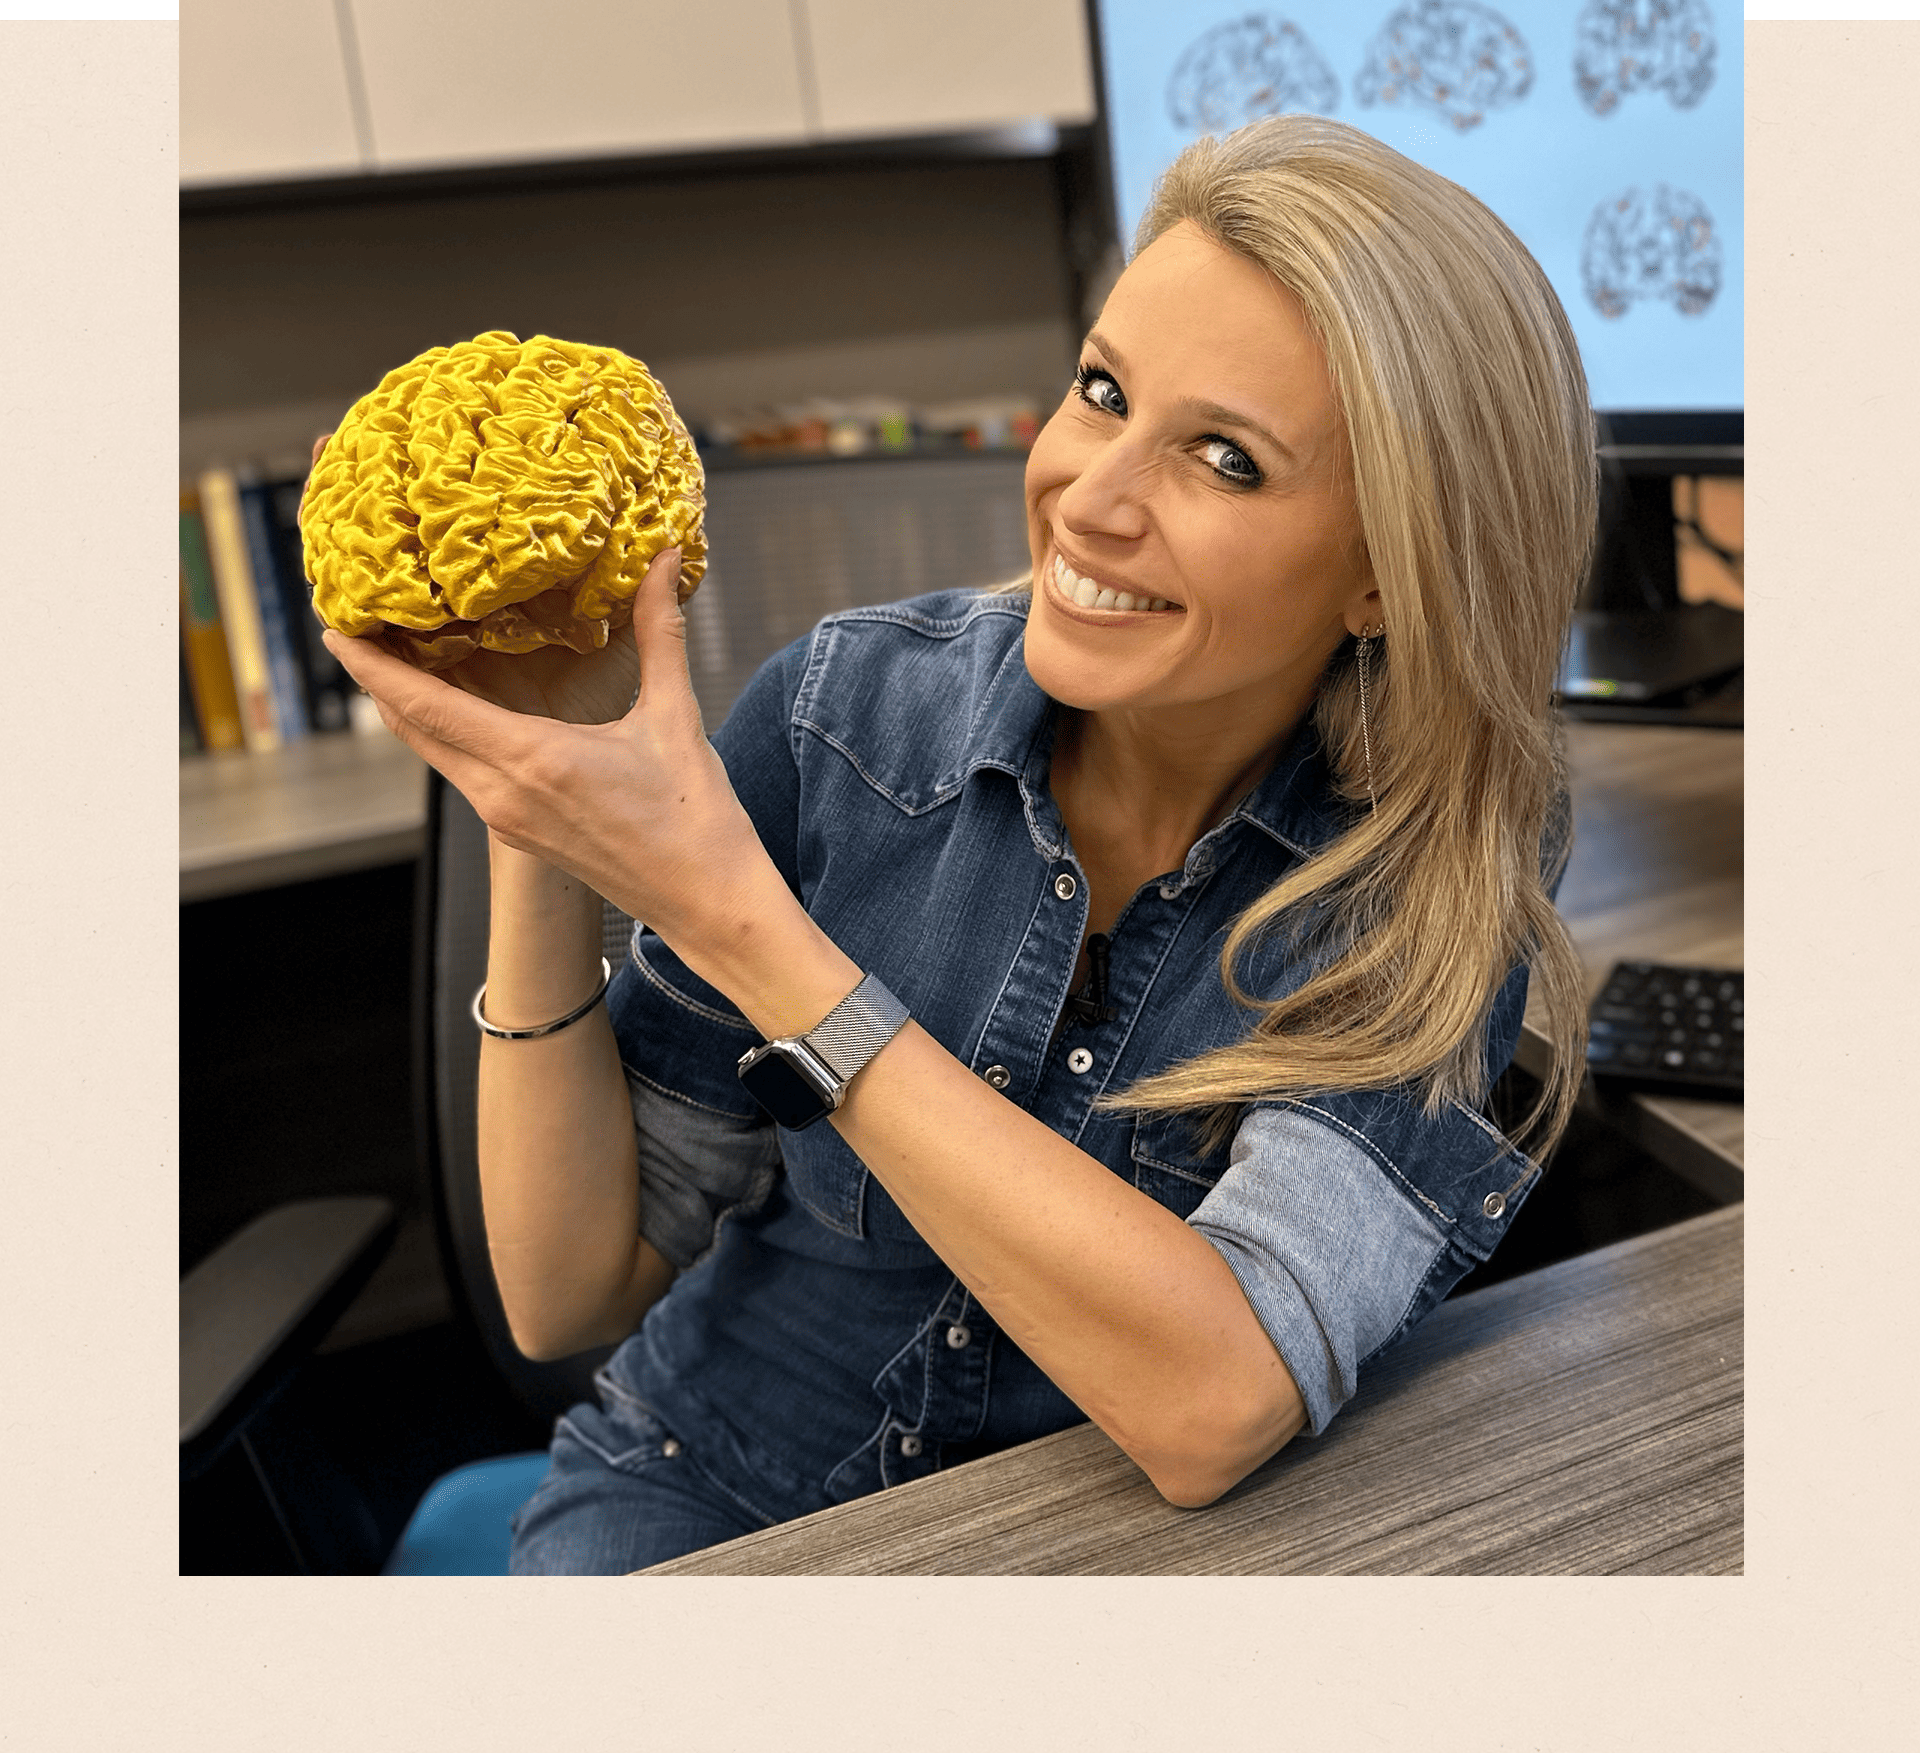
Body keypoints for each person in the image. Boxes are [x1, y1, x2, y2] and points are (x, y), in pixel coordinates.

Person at [324, 115, 1597, 1574]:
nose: (1093, 497)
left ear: (1388, 573)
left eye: (1226, 461)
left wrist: (752, 931)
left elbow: (1214, 1404)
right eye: (1103, 391)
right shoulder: (838, 713)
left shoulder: (1427, 875)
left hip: (1075, 1553)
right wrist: (537, 800)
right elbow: (566, 1293)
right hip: (706, 1495)